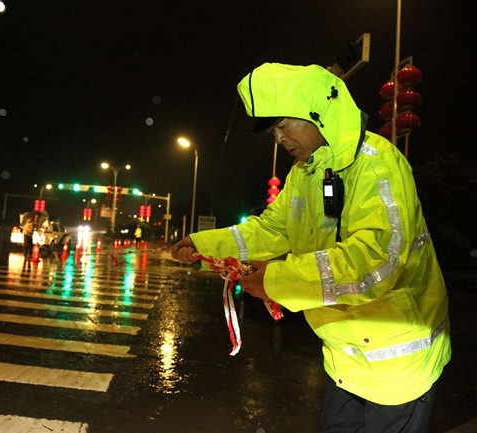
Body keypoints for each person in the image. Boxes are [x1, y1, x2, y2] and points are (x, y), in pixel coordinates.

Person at [170, 63, 451, 432]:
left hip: (398, 365)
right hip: (345, 360)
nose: (280, 139)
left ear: (317, 112)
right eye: (273, 132)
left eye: (284, 126)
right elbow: (271, 229)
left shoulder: (378, 164)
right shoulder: (305, 174)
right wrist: (204, 246)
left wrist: (277, 280)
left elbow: (375, 261)